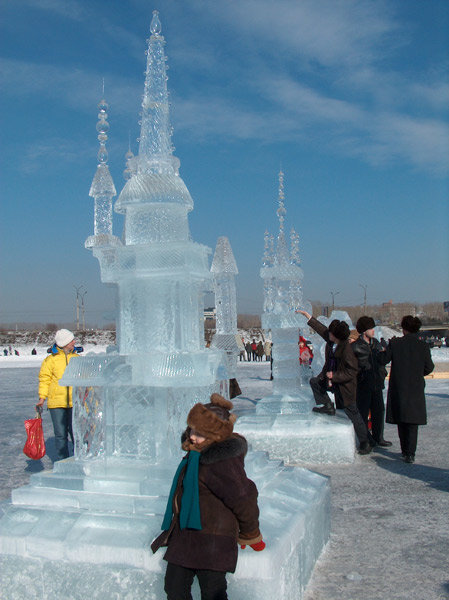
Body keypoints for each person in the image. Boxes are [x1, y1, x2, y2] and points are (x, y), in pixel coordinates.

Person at [151, 393, 265, 600]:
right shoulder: (195, 455)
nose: (192, 437)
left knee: (213, 593)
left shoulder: (220, 462)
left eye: (199, 434)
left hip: (214, 540)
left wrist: (251, 533)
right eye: (192, 430)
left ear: (215, 436)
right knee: (174, 588)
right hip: (187, 536)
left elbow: (243, 497)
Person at [296, 310, 372, 454]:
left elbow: (351, 371)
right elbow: (322, 329)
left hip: (345, 386)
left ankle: (365, 441)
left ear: (336, 335)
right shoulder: (332, 341)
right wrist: (308, 317)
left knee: (353, 413)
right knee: (315, 382)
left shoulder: (347, 349)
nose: (328, 334)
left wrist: (334, 375)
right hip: (331, 380)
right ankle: (327, 405)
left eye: (331, 333)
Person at [383, 315, 434, 463]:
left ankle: (405, 450)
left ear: (403, 328)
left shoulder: (396, 344)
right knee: (412, 422)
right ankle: (411, 452)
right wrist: (418, 373)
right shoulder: (423, 346)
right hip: (416, 387)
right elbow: (429, 367)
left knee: (401, 419)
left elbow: (383, 360)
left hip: (399, 386)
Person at [36, 329, 79, 461]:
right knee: (60, 435)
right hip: (56, 404)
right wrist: (42, 399)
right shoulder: (50, 360)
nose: (74, 342)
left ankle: (80, 461)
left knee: (76, 434)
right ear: (65, 342)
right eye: (71, 340)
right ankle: (62, 461)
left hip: (74, 403)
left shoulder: (77, 359)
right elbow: (45, 379)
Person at [351, 316, 392, 448]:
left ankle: (379, 437)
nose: (373, 330)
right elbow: (351, 366)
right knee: (363, 413)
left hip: (377, 384)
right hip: (363, 385)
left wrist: (383, 372)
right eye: (370, 328)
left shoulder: (376, 343)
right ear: (364, 331)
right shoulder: (355, 347)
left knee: (379, 411)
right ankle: (366, 439)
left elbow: (382, 360)